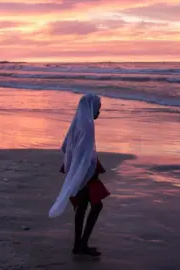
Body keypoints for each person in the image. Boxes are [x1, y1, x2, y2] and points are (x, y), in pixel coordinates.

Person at [49, 93, 110, 257]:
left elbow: (64, 146)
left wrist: (72, 160)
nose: (98, 112)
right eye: (98, 109)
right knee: (96, 206)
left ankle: (79, 245)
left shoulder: (76, 122)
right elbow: (86, 151)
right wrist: (83, 165)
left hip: (76, 167)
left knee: (82, 207)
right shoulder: (88, 125)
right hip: (86, 169)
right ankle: (82, 244)